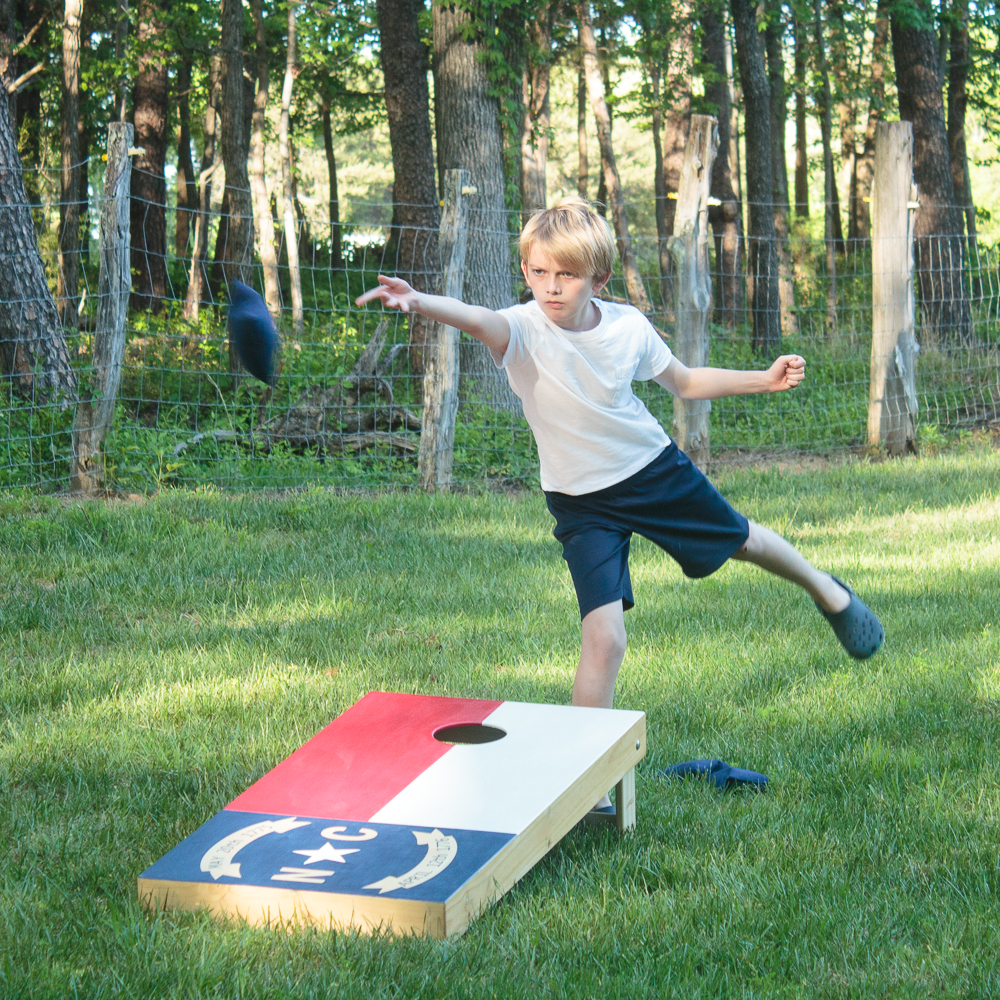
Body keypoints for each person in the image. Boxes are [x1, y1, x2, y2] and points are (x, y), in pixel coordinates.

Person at [356, 196, 883, 812]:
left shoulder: (626, 327)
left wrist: (760, 379)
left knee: (743, 541)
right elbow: (474, 316)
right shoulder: (520, 329)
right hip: (580, 502)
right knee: (605, 639)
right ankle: (590, 787)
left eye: (567, 275)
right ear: (525, 271)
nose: (550, 288)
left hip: (650, 473)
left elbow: (683, 382)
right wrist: (418, 300)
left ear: (597, 279)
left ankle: (829, 592)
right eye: (538, 272)